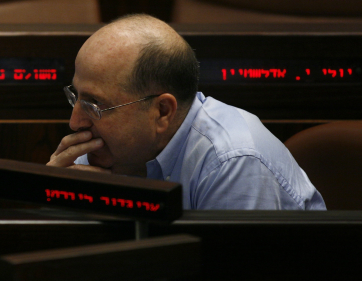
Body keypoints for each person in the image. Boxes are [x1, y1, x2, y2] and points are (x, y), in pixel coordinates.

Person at [48, 13, 325, 210]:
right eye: (76, 98)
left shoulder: (234, 162)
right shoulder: (103, 148)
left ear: (162, 111)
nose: (75, 122)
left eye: (94, 105)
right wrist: (49, 195)